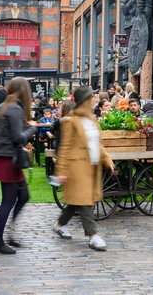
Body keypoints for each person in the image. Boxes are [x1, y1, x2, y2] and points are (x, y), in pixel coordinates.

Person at [52, 86, 116, 251]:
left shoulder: (92, 120)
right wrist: (61, 171)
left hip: (91, 168)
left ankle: (59, 224)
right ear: (83, 102)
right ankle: (93, 236)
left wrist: (107, 160)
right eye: (90, 99)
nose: (94, 101)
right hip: (76, 168)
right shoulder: (70, 121)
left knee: (75, 202)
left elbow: (98, 144)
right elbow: (64, 148)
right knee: (85, 202)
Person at [0, 77, 37, 254]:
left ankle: (8, 234)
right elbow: (18, 138)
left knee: (23, 195)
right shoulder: (15, 109)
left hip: (5, 158)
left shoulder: (0, 107)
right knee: (8, 201)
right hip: (9, 158)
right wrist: (32, 128)